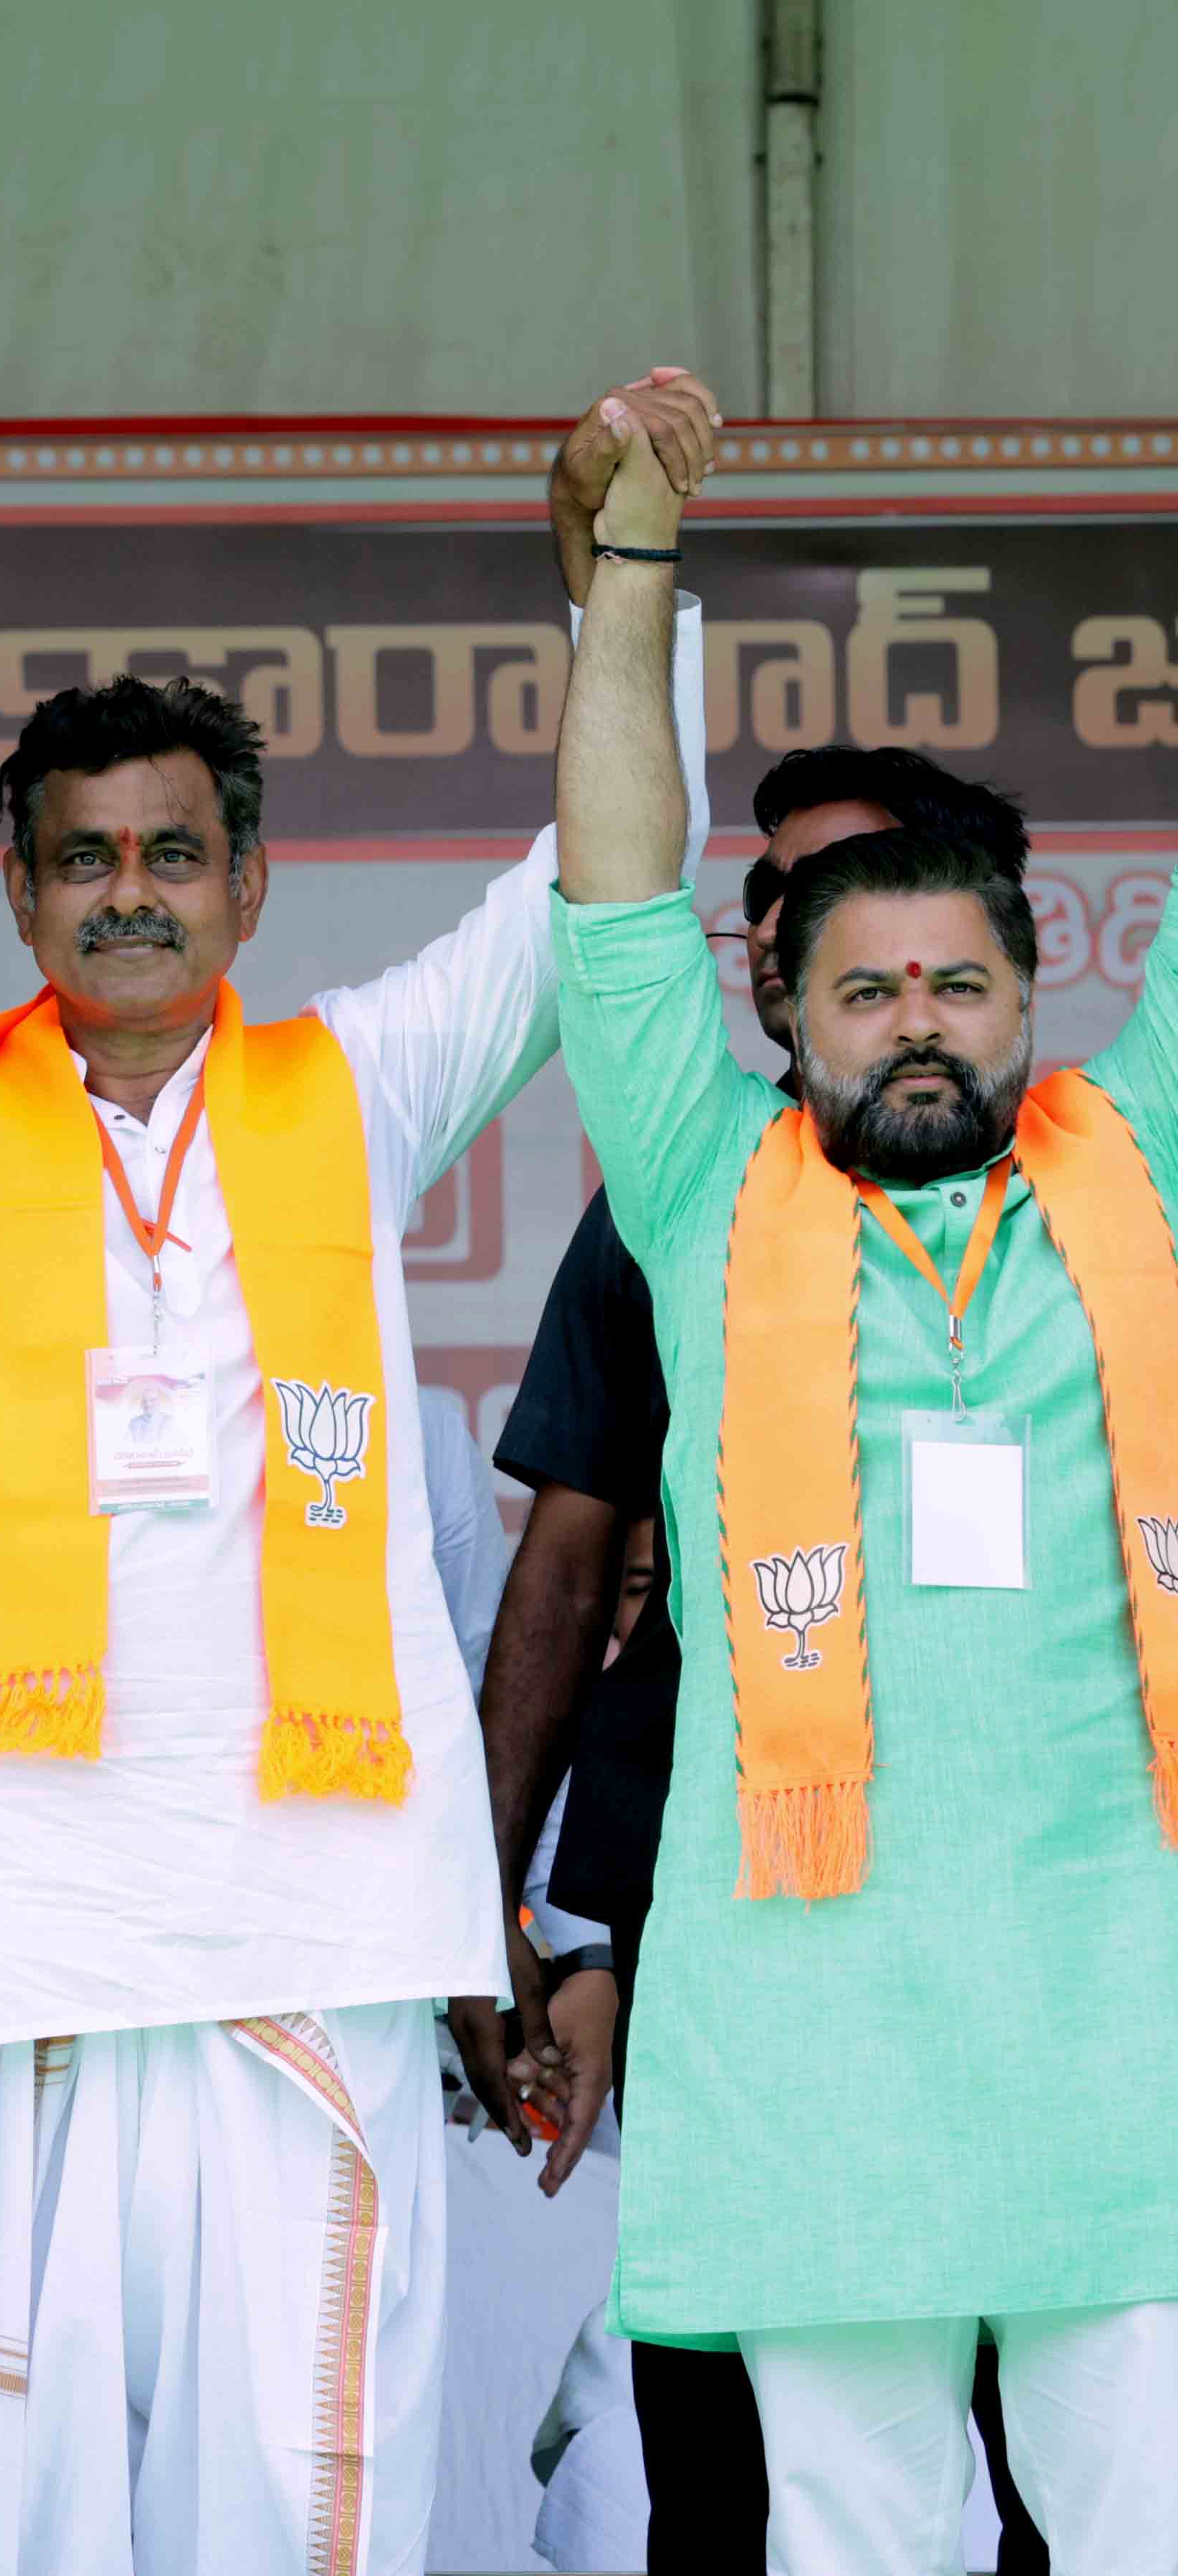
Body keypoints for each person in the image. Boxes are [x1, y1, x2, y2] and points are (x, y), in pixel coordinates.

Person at [0, 372, 715, 2574]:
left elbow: (592, 879)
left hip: (304, 1905)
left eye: (166, 855)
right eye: (80, 861)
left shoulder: (364, 1085)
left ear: (247, 883)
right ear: (16, 901)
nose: (124, 896)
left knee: (291, 2459)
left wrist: (611, 584)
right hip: (10, 1914)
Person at [551, 426, 1178, 2567]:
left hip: (1118, 2011)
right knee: (852, 2543)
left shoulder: (1138, 1161)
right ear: (786, 1023)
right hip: (811, 2027)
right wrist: (631, 555)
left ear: (1029, 1002)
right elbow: (615, 900)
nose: (913, 1025)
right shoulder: (703, 1185)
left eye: (955, 984)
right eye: (862, 990)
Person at [456, 737, 1050, 2572]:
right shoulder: (682, 1197)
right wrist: (492, 1906)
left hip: (1052, 1967)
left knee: (1060, 2475)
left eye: (870, 888)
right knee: (717, 2483)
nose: (806, 918)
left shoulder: (1102, 1214)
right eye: (778, 894)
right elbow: (568, 1581)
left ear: (997, 956)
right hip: (729, 1947)